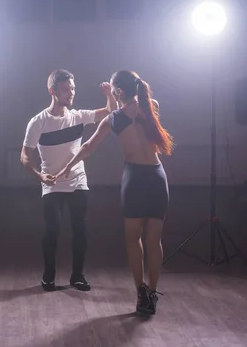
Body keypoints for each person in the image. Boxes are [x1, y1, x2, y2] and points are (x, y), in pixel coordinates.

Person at [55, 70, 173, 314]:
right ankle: (151, 292)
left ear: (118, 91)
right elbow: (138, 105)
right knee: (154, 240)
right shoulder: (151, 106)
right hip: (156, 177)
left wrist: (67, 166)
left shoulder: (112, 119)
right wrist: (116, 95)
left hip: (135, 180)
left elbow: (88, 147)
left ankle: (141, 293)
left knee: (133, 238)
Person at [20, 69, 116, 292]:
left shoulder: (78, 116)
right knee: (52, 230)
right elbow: (25, 155)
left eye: (72, 88)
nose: (71, 93)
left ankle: (77, 276)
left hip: (77, 181)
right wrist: (40, 176)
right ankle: (49, 276)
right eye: (66, 89)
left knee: (79, 230)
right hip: (51, 184)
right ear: (52, 91)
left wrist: (109, 95)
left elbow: (111, 112)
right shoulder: (38, 122)